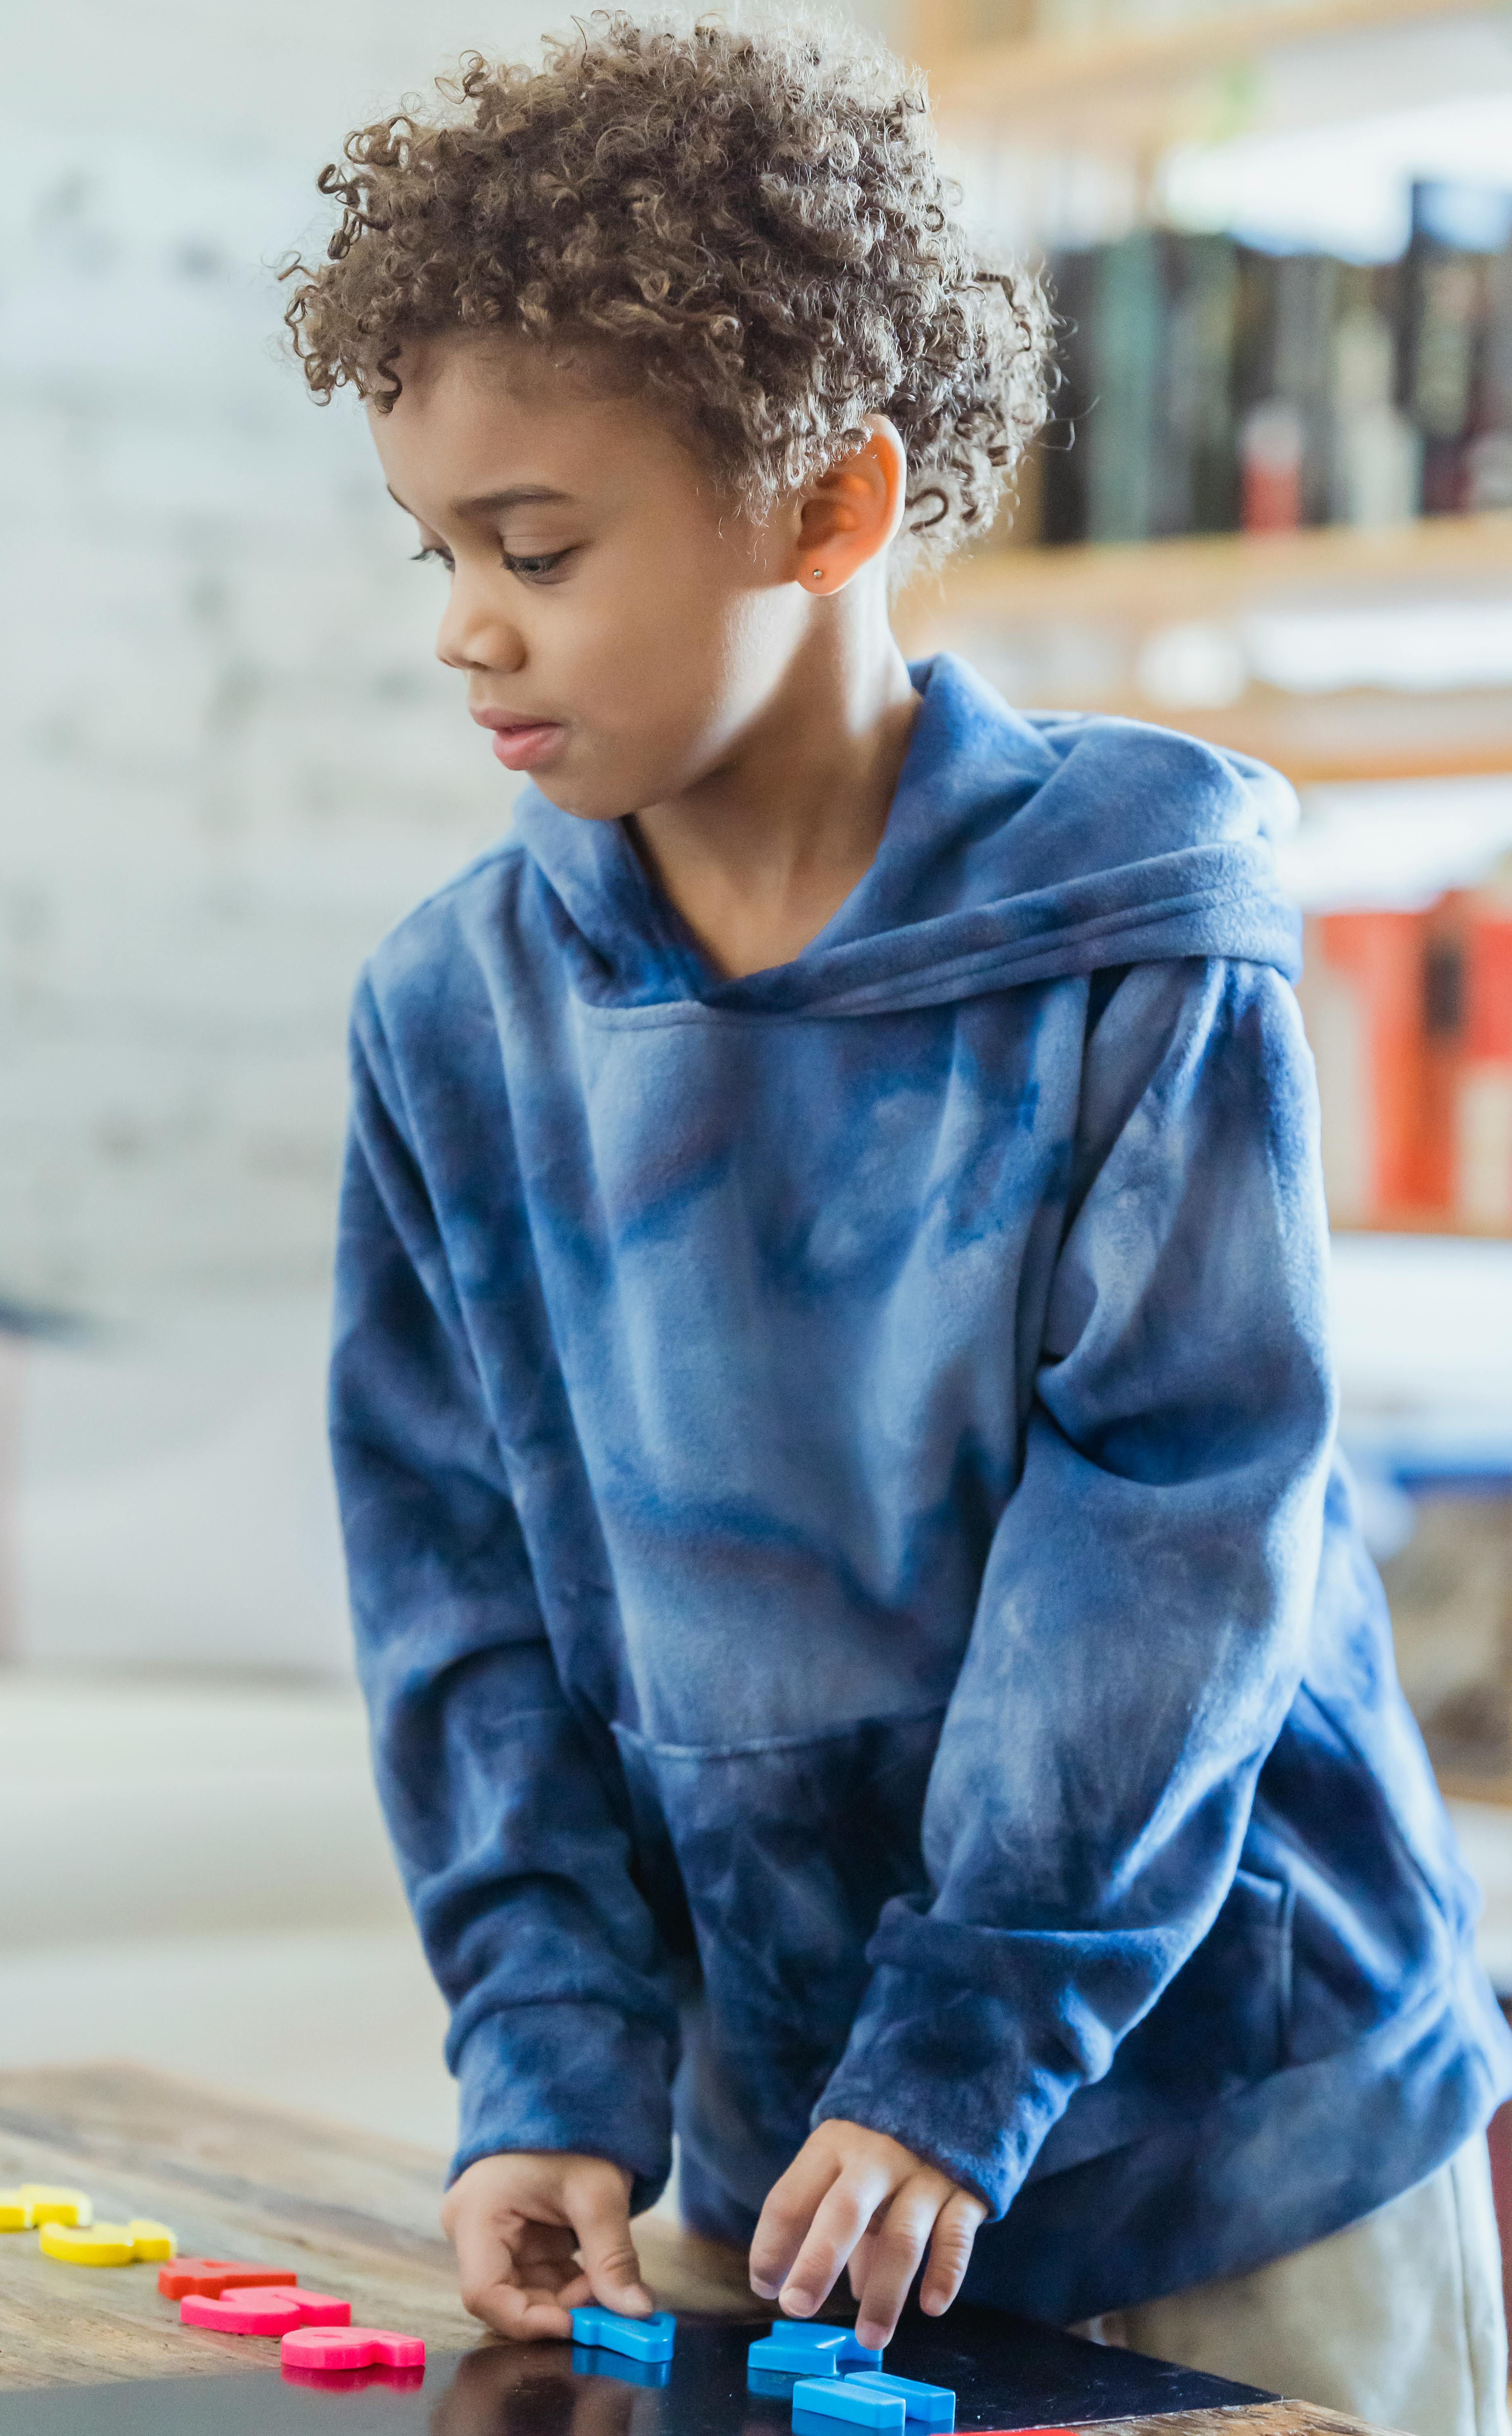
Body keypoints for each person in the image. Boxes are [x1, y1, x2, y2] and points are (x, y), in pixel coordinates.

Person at [286, 17, 1512, 2430]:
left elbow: (1173, 1530)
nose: (465, 625)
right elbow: (463, 1606)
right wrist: (548, 2055)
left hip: (1240, 2138)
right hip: (804, 2167)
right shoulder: (454, 1017)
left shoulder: (1139, 934)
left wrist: (969, 2045)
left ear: (829, 507)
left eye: (537, 549)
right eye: (439, 553)